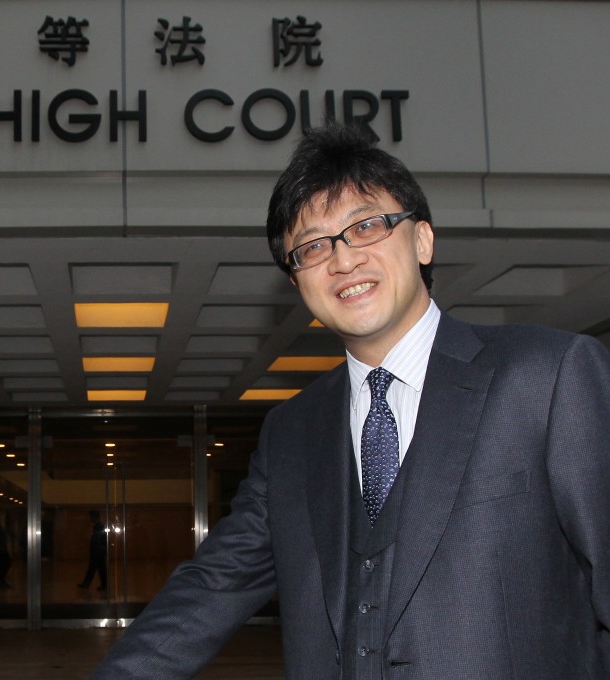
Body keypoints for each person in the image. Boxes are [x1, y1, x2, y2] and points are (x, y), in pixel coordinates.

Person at [90, 124, 610, 679]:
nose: (342, 260)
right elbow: (216, 583)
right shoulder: (291, 430)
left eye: (366, 226)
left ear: (422, 240)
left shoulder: (548, 377)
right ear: (296, 282)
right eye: (311, 246)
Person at [77, 509, 108, 592]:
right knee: (99, 569)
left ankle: (87, 584)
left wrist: (95, 551)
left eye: (90, 517)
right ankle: (101, 585)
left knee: (95, 569)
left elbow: (97, 540)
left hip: (97, 552)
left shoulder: (98, 526)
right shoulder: (99, 526)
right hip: (99, 551)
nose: (89, 519)